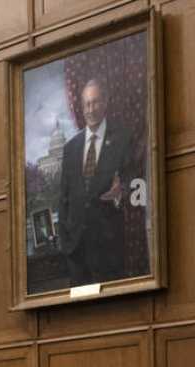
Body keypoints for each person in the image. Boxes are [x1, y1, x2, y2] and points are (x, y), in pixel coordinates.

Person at [57, 77, 142, 287]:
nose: (90, 109)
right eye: (86, 103)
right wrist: (66, 243)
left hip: (109, 247)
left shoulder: (123, 138)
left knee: (113, 311)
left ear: (105, 102)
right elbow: (64, 199)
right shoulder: (70, 148)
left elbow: (136, 179)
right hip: (77, 253)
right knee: (81, 314)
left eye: (95, 102)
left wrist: (121, 189)